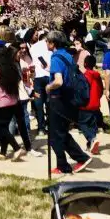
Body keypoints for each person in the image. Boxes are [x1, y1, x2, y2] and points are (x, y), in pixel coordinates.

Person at [46, 32, 92, 175]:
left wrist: (49, 87)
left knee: (54, 135)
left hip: (57, 99)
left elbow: (59, 81)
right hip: (69, 99)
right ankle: (70, 162)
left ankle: (69, 163)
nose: (46, 43)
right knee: (61, 133)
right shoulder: (66, 55)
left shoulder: (55, 58)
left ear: (53, 43)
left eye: (48, 41)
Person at [0, 45, 25, 161]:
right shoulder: (12, 66)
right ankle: (2, 153)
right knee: (5, 127)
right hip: (12, 101)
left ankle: (17, 148)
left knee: (0, 127)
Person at [79, 54, 103, 155]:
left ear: (85, 64)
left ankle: (92, 138)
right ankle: (91, 146)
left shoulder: (85, 76)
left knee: (82, 123)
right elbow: (101, 89)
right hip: (95, 103)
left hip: (86, 104)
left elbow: (83, 90)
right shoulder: (97, 76)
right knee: (92, 124)